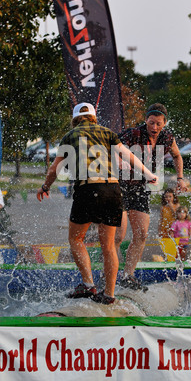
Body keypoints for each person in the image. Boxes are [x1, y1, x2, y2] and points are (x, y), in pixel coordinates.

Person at [37, 103, 158, 305]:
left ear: (75, 119)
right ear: (94, 117)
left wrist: (46, 186)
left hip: (87, 189)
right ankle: (109, 295)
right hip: (112, 190)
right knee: (109, 246)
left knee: (76, 238)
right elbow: (128, 155)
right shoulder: (108, 133)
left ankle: (88, 283)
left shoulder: (70, 136)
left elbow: (54, 170)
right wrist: (148, 174)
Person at [115, 103, 187, 290]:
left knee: (141, 234)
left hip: (141, 188)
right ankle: (109, 275)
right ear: (146, 119)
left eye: (158, 124)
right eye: (151, 122)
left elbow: (177, 156)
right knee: (118, 236)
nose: (154, 127)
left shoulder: (167, 137)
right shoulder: (133, 134)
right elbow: (112, 147)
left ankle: (128, 276)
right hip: (119, 186)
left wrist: (180, 178)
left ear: (164, 123)